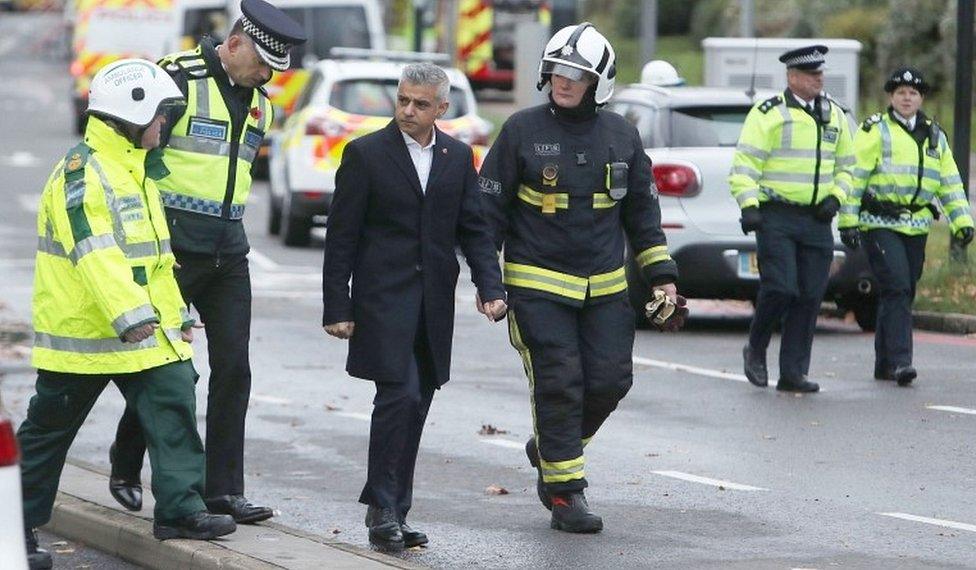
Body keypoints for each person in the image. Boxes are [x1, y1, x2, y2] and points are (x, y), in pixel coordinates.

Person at [18, 59, 237, 570]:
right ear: (132, 115)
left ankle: (181, 510)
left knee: (174, 398)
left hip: (142, 331)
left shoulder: (136, 172)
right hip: (85, 336)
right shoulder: (82, 173)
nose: (165, 127)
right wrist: (131, 314)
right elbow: (95, 253)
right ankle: (13, 525)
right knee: (47, 435)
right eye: (162, 117)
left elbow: (157, 261)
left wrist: (175, 318)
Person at [478, 22, 686, 534]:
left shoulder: (622, 135)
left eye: (576, 73)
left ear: (600, 81)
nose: (564, 81)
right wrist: (490, 286)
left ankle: (550, 446)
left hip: (607, 291)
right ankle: (566, 494)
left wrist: (662, 278)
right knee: (561, 382)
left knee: (612, 382)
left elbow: (643, 214)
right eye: (557, 71)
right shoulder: (521, 131)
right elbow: (485, 216)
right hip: (537, 288)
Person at [107, 0, 306, 523]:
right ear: (235, 43)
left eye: (274, 70)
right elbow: (135, 161)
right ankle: (126, 464)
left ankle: (223, 491)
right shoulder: (176, 80)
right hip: (171, 251)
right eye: (263, 64)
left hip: (229, 251)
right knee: (163, 367)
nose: (267, 76)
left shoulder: (260, 102)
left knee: (234, 369)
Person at [322, 63, 506, 551]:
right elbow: (341, 238)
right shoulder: (365, 154)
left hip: (432, 306)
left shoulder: (457, 156)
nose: (407, 109)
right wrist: (336, 306)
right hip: (382, 299)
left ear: (441, 109)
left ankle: (396, 510)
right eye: (403, 100)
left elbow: (475, 231)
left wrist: (491, 287)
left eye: (420, 103)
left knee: (419, 401)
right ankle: (381, 508)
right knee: (398, 396)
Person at [729, 45, 855, 393]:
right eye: (812, 74)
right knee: (781, 287)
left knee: (810, 295)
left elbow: (848, 166)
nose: (819, 79)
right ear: (792, 77)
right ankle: (756, 346)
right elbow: (745, 165)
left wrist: (836, 198)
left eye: (821, 74)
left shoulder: (835, 115)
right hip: (776, 216)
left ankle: (793, 373)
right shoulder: (768, 113)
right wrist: (749, 205)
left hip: (817, 218)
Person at [837, 67, 974, 386]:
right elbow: (855, 178)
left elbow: (949, 182)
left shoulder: (935, 135)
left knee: (902, 290)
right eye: (900, 93)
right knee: (897, 285)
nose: (907, 98)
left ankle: (884, 362)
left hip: (917, 225)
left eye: (913, 93)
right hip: (880, 223)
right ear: (891, 97)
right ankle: (901, 362)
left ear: (921, 98)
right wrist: (849, 221)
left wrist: (962, 221)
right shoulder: (876, 130)